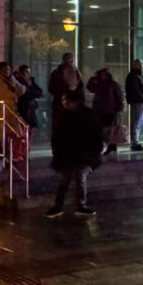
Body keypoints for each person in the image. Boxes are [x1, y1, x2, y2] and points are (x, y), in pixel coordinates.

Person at [45, 89, 102, 218]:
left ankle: (80, 205)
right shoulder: (63, 116)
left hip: (83, 154)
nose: (64, 103)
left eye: (66, 100)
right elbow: (57, 137)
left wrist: (94, 151)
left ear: (74, 101)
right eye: (63, 100)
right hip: (69, 155)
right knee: (66, 179)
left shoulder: (86, 115)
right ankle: (60, 206)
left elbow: (95, 134)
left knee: (79, 176)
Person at [87, 68, 125, 155]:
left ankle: (111, 147)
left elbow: (119, 97)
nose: (103, 76)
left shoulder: (113, 85)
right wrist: (93, 79)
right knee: (99, 130)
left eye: (104, 75)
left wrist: (120, 109)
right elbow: (90, 88)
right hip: (99, 110)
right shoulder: (98, 84)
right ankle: (99, 147)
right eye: (101, 75)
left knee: (110, 130)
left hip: (110, 110)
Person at [48, 52, 83, 131]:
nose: (71, 61)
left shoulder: (76, 73)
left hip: (73, 103)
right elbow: (51, 88)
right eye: (69, 59)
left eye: (72, 59)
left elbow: (80, 88)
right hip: (61, 103)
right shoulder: (57, 73)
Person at [125, 59, 143, 151]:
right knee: (137, 122)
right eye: (140, 64)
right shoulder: (133, 76)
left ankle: (136, 141)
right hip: (137, 101)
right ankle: (135, 142)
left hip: (139, 101)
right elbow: (134, 89)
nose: (141, 66)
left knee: (139, 121)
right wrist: (142, 97)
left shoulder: (137, 76)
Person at [13, 64, 43, 140]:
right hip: (22, 108)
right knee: (22, 130)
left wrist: (30, 91)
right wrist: (29, 92)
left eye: (29, 72)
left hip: (31, 110)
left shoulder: (31, 81)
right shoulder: (18, 81)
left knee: (30, 130)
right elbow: (24, 94)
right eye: (27, 72)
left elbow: (39, 92)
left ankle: (27, 147)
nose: (29, 74)